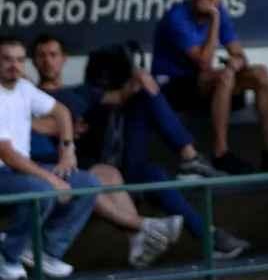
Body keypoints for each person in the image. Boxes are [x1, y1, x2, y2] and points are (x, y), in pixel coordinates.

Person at [29, 35, 249, 263]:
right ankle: (201, 224)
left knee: (144, 97)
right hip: (78, 165)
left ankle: (192, 170)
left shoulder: (82, 91)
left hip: (116, 159)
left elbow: (120, 97)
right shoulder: (30, 95)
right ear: (33, 61)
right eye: (42, 56)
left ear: (64, 59)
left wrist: (139, 79)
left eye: (53, 55)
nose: (47, 61)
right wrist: (62, 126)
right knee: (152, 174)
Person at [151, 0, 268, 171]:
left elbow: (240, 54)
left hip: (202, 84)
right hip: (173, 86)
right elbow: (204, 62)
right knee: (224, 76)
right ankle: (220, 153)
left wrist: (236, 63)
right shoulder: (177, 17)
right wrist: (215, 19)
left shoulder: (219, 10)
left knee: (261, 73)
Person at [0, 36, 100, 280]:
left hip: (19, 170)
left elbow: (61, 112)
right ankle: (7, 255)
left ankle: (44, 250)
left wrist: (67, 150)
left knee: (88, 183)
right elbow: (8, 155)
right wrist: (51, 179)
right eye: (6, 59)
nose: (14, 65)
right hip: (5, 170)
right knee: (42, 188)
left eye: (19, 60)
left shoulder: (23, 88)